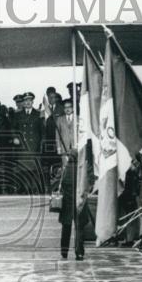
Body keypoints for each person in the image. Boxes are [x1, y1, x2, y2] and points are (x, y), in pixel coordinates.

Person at [54, 98, 83, 260]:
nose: (67, 109)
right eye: (65, 107)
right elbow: (57, 136)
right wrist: (60, 150)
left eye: (70, 107)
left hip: (77, 154)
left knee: (77, 223)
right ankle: (65, 251)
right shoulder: (59, 120)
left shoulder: (79, 120)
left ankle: (79, 252)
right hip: (65, 155)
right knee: (67, 223)